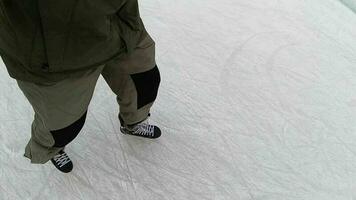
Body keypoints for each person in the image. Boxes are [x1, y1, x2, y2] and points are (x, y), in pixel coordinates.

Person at [0, 0, 161, 173]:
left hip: (120, 25)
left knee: (144, 83)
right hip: (52, 51)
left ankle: (134, 122)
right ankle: (54, 149)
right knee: (62, 126)